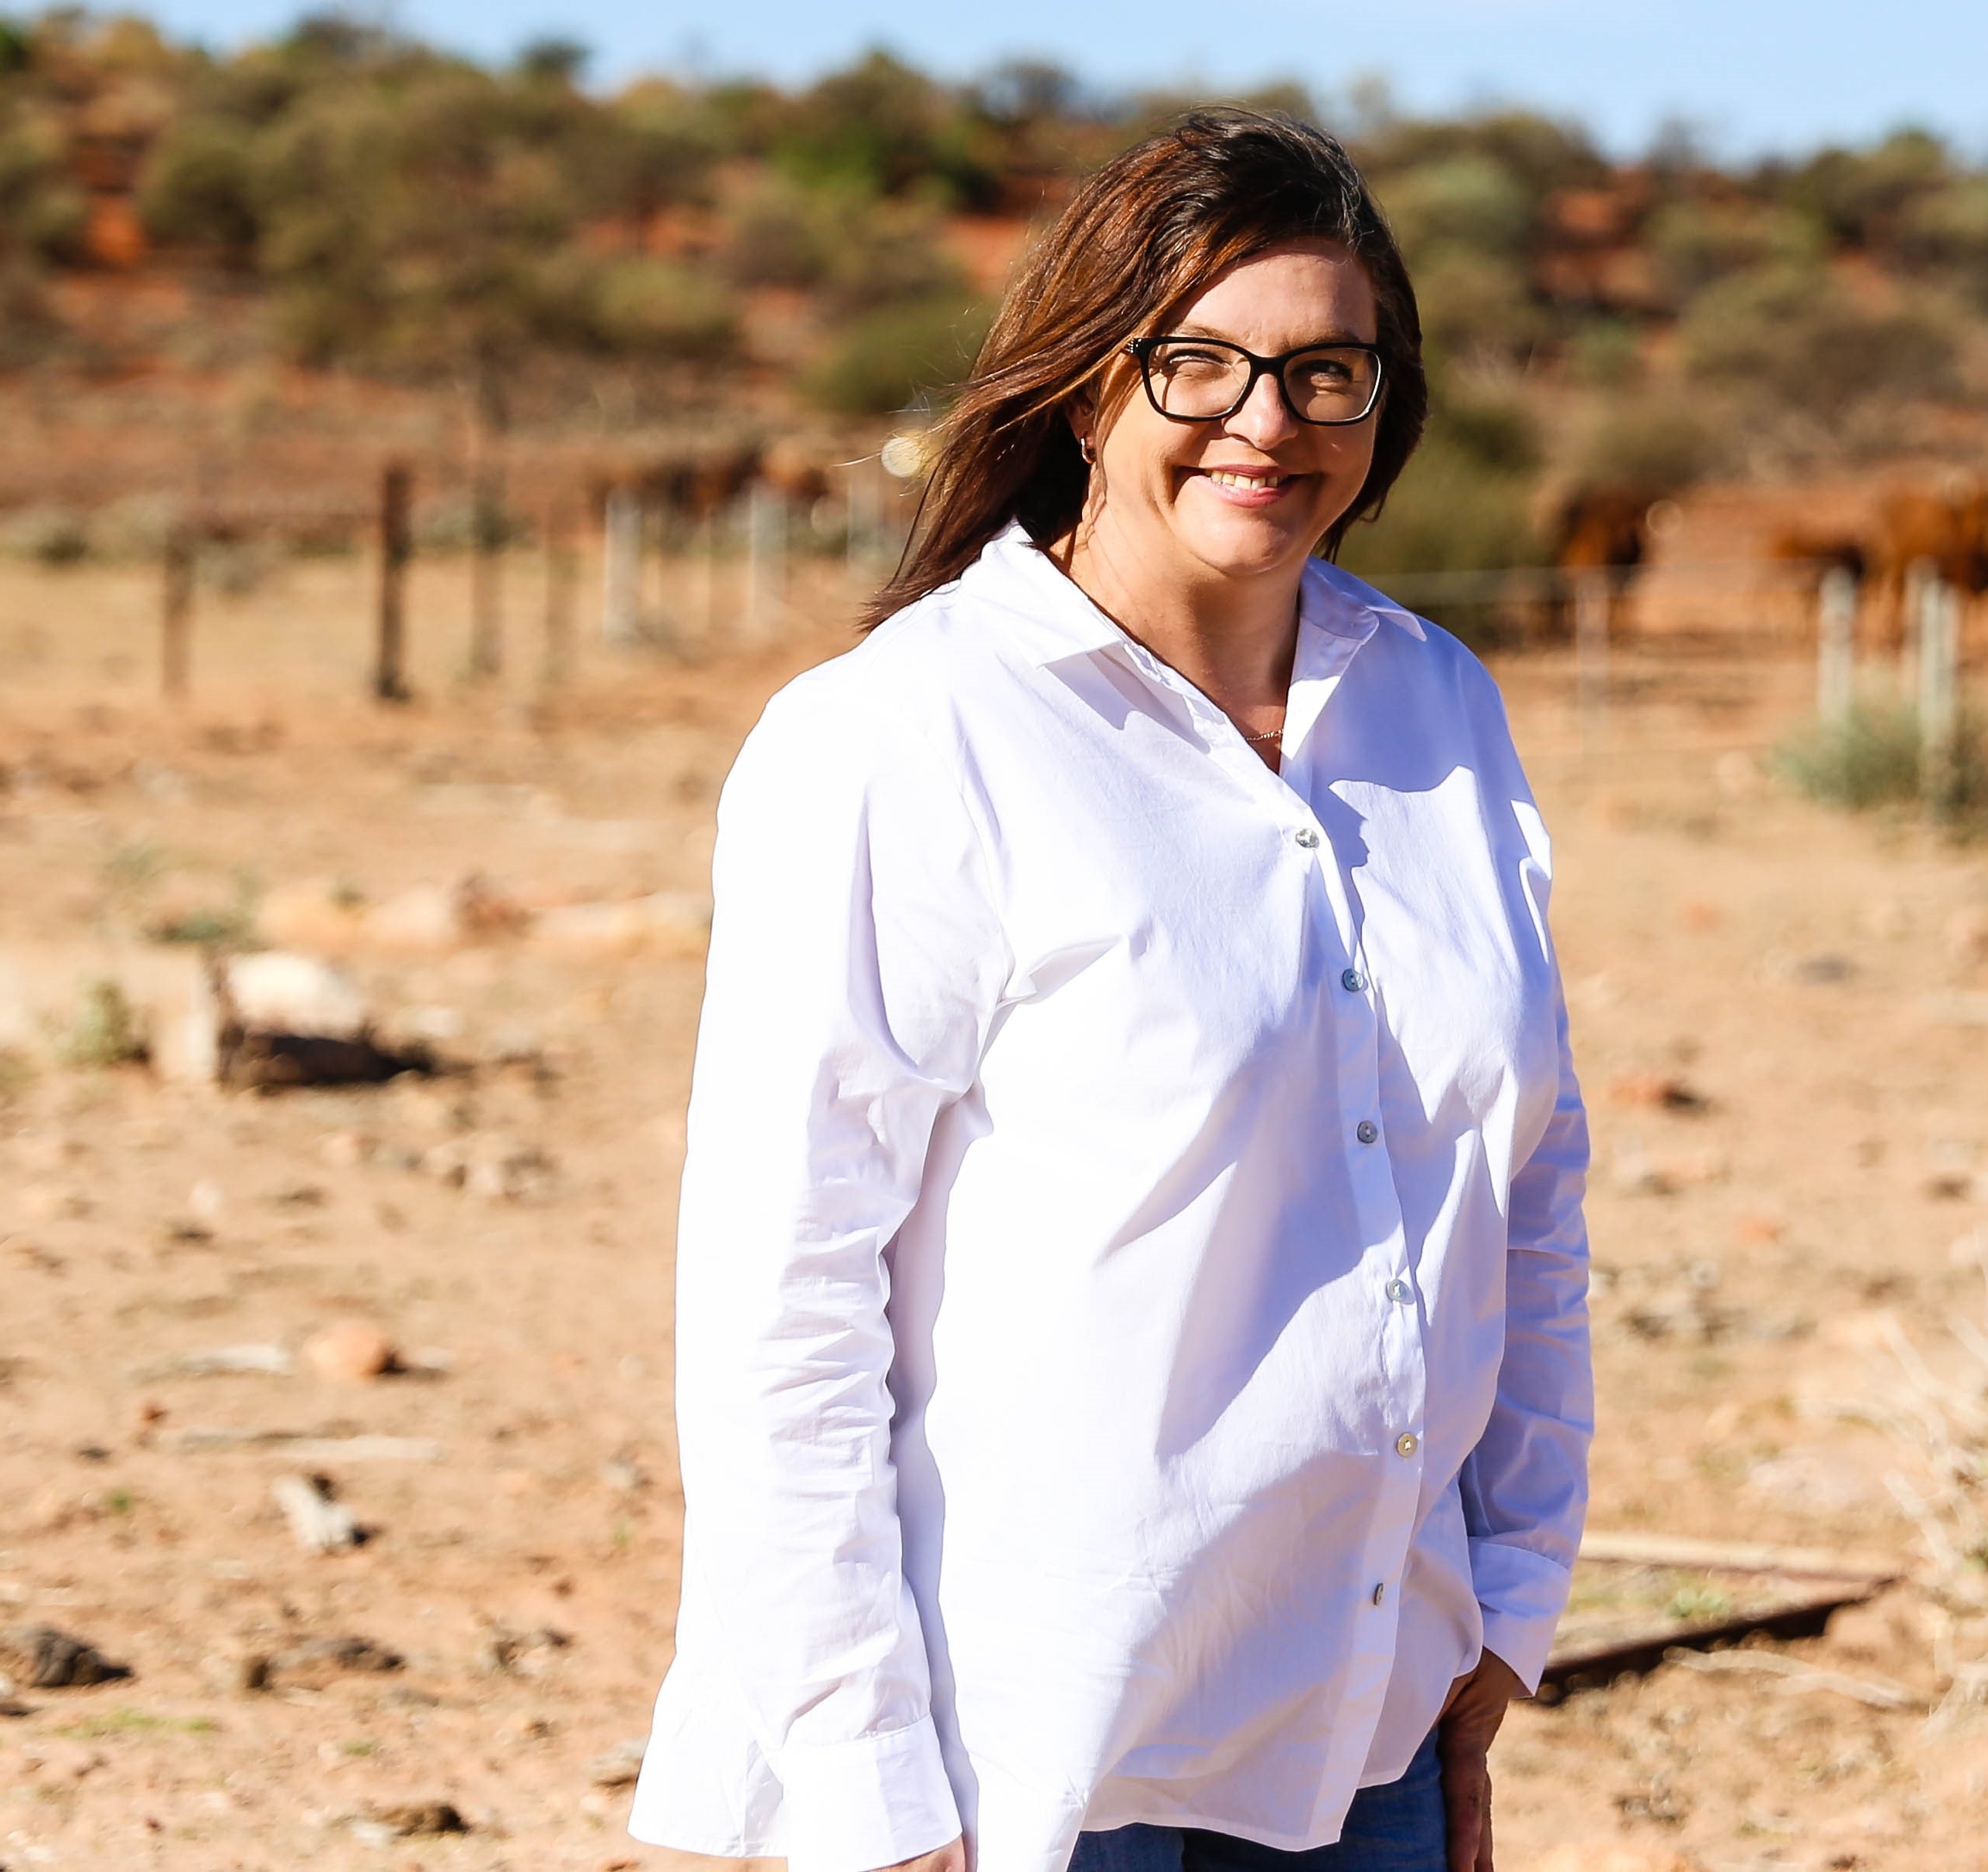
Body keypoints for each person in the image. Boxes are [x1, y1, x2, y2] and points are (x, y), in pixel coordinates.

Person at [629, 107, 1593, 1872]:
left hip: (1363, 1714)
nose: (1268, 421)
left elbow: (1525, 1175)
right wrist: (864, 1779)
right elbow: (786, 1287)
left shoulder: (1440, 706)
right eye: (1199, 361)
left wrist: (1507, 1597)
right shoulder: (904, 735)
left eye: (1328, 372)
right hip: (1027, 1750)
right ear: (1087, 386)